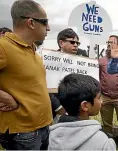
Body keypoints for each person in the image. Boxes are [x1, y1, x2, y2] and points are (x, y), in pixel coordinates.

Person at [0, 0, 52, 150]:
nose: (48, 27)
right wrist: (6, 98)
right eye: (45, 22)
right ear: (31, 23)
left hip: (42, 127)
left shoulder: (33, 50)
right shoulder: (4, 47)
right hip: (23, 133)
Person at [48, 73, 116, 150]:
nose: (101, 101)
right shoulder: (104, 142)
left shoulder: (52, 137)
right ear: (85, 106)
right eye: (99, 98)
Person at [99, 35, 118, 148]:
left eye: (112, 42)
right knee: (106, 124)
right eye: (108, 42)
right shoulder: (101, 61)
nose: (109, 44)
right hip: (105, 97)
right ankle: (108, 144)